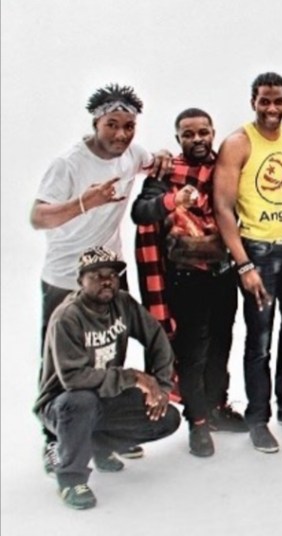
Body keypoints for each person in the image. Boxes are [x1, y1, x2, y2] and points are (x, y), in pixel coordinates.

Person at [30, 83, 171, 473]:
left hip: (110, 274)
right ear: (95, 123)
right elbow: (38, 217)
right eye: (112, 125)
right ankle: (54, 441)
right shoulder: (69, 164)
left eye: (129, 126)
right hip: (65, 279)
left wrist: (161, 156)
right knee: (60, 367)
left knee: (110, 352)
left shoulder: (132, 155)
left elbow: (153, 161)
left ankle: (102, 436)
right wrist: (85, 202)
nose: (121, 134)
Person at [131, 108, 245, 458]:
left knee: (221, 347)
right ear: (178, 138)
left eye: (203, 132)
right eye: (188, 134)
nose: (197, 139)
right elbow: (140, 211)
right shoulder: (168, 173)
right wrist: (172, 200)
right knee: (192, 354)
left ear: (213, 133)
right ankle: (197, 422)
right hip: (186, 277)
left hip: (223, 274)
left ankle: (216, 407)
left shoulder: (225, 167)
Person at [34, 247, 181, 510]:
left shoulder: (122, 303)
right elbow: (74, 379)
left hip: (104, 397)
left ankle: (98, 448)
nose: (106, 281)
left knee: (167, 418)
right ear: (80, 281)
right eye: (96, 275)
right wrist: (134, 377)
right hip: (62, 405)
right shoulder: (68, 317)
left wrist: (160, 386)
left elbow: (157, 339)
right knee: (81, 401)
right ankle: (70, 478)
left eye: (112, 275)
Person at [213, 72, 282, 454]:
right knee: (260, 339)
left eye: (278, 101)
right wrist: (244, 265)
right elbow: (223, 208)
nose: (272, 108)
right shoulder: (238, 143)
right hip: (258, 252)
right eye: (264, 101)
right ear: (253, 102)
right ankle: (258, 418)